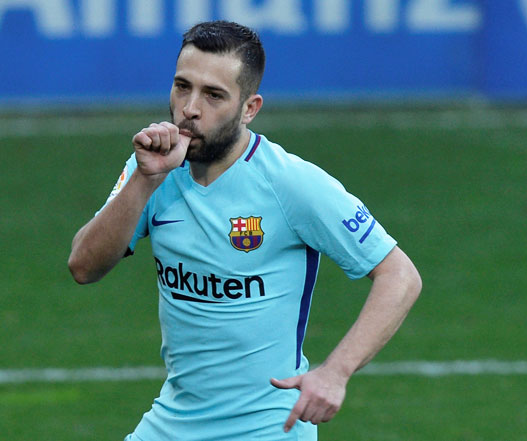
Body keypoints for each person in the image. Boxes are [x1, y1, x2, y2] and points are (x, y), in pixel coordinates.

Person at [68, 20, 421, 441]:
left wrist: (335, 372)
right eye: (183, 86)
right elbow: (84, 267)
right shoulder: (152, 168)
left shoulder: (290, 183)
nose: (189, 108)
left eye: (213, 95)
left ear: (249, 108)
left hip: (267, 429)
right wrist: (144, 181)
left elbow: (400, 275)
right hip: (174, 422)